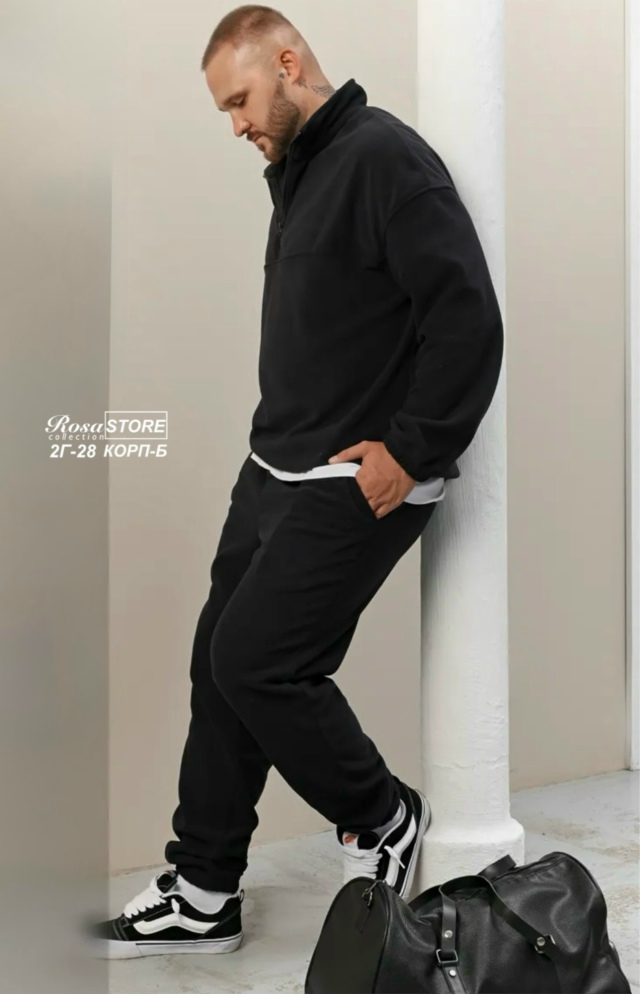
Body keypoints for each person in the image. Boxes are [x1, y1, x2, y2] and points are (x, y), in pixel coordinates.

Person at [87, 3, 504, 959]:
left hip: (350, 479)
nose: (235, 124)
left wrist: (413, 451)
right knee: (218, 665)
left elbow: (467, 317)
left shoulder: (386, 159)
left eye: (239, 100)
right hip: (274, 464)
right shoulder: (302, 167)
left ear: (286, 63)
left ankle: (381, 814)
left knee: (258, 661)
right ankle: (203, 891)